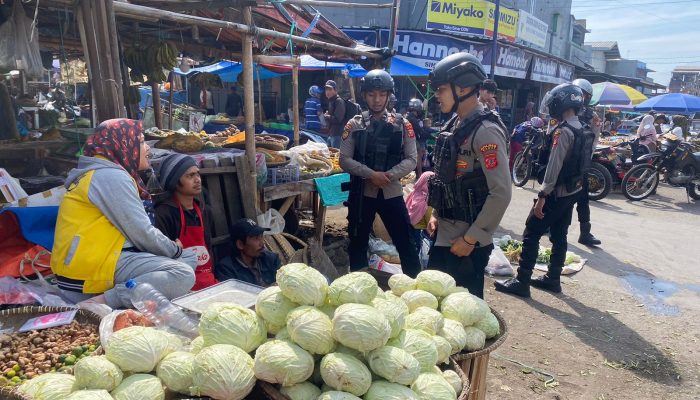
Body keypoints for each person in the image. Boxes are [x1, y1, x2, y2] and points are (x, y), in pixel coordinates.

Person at [51, 119, 197, 309]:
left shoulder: (108, 172)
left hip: (107, 257)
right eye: (142, 141)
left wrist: (174, 253)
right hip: (86, 270)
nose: (147, 149)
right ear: (124, 143)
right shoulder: (110, 176)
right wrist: (173, 249)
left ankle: (127, 295)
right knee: (183, 274)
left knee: (189, 258)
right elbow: (141, 232)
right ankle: (101, 302)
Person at [495, 83, 594, 297]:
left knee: (531, 232)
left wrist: (542, 195)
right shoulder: (584, 129)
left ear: (562, 103)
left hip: (555, 193)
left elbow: (554, 166)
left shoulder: (564, 131)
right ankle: (553, 278)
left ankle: (522, 281)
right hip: (572, 191)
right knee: (560, 234)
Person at [425, 53, 512, 298]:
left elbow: (501, 193)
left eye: (441, 89)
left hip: (465, 243)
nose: (437, 95)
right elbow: (446, 178)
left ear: (462, 88)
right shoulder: (455, 124)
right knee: (436, 304)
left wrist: (471, 238)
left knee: (463, 311)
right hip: (445, 233)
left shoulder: (486, 132)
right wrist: (436, 213)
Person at [339, 69, 421, 277]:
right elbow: (344, 159)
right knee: (357, 243)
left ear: (388, 96)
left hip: (391, 192)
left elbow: (412, 159)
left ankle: (415, 287)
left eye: (382, 94)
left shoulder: (403, 124)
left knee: (406, 243)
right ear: (364, 95)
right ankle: (358, 286)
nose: (377, 100)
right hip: (361, 194)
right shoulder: (354, 124)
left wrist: (389, 176)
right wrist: (370, 174)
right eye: (372, 94)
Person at [155, 154, 217, 291]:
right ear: (175, 182)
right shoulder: (164, 213)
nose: (197, 180)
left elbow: (209, 247)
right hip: (180, 287)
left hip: (208, 282)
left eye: (198, 174)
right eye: (190, 176)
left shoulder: (204, 211)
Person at [572, 78, 602, 247]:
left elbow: (595, 138)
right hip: (563, 160)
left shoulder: (592, 115)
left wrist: (587, 158)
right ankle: (545, 224)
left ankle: (585, 232)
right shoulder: (564, 109)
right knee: (553, 193)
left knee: (582, 199)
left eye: (584, 95)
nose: (581, 97)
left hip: (580, 163)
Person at [214, 219, 281, 287]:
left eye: (261, 237)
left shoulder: (271, 259)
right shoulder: (226, 270)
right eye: (256, 238)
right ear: (240, 244)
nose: (262, 243)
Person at [406, 171, 435, 254]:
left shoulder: (414, 193)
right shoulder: (426, 201)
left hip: (409, 227)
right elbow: (427, 227)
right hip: (419, 232)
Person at [406, 98, 428, 177]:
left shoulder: (407, 115)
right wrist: (430, 135)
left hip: (406, 140)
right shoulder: (413, 119)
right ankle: (420, 175)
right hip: (410, 141)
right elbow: (420, 131)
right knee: (420, 152)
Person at [324, 80, 345, 149]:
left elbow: (338, 119)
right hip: (331, 134)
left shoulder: (338, 101)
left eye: (330, 89)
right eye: (326, 89)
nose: (327, 92)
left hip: (337, 135)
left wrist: (327, 116)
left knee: (336, 157)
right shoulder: (331, 101)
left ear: (335, 90)